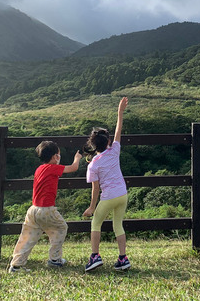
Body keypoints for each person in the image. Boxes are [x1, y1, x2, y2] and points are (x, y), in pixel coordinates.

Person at [7, 141, 82, 273]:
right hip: (47, 209)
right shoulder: (52, 168)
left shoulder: (39, 169)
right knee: (61, 227)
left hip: (33, 210)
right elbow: (73, 168)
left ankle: (16, 265)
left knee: (27, 238)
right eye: (58, 155)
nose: (59, 157)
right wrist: (77, 159)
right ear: (54, 157)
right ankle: (55, 259)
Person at [82, 96, 131, 272]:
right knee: (118, 225)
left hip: (108, 197)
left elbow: (95, 189)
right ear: (108, 142)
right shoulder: (114, 151)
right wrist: (120, 112)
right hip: (122, 194)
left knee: (96, 223)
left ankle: (95, 256)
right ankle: (123, 259)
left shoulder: (93, 164)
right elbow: (119, 130)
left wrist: (92, 207)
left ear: (93, 145)